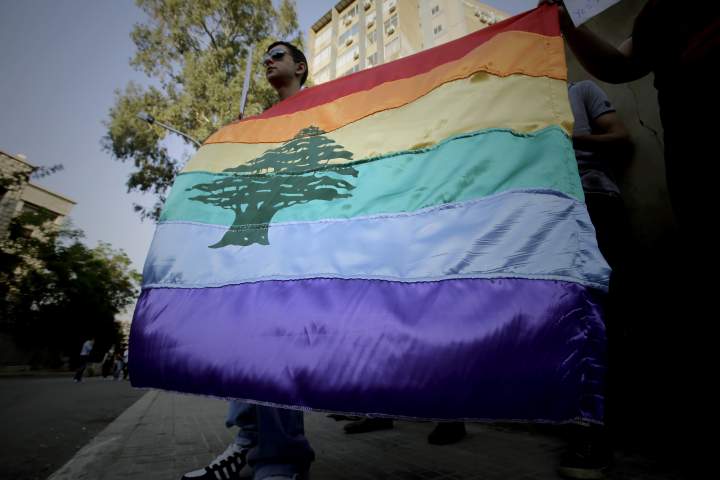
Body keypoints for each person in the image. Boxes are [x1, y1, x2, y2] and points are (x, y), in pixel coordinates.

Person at [181, 41, 315, 480]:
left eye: (278, 54)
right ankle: (248, 439)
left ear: (300, 66)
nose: (268, 61)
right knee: (244, 341)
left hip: (297, 244)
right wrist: (239, 145)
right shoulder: (259, 124)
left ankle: (282, 459)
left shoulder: (323, 110)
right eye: (266, 58)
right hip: (257, 245)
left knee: (275, 345)